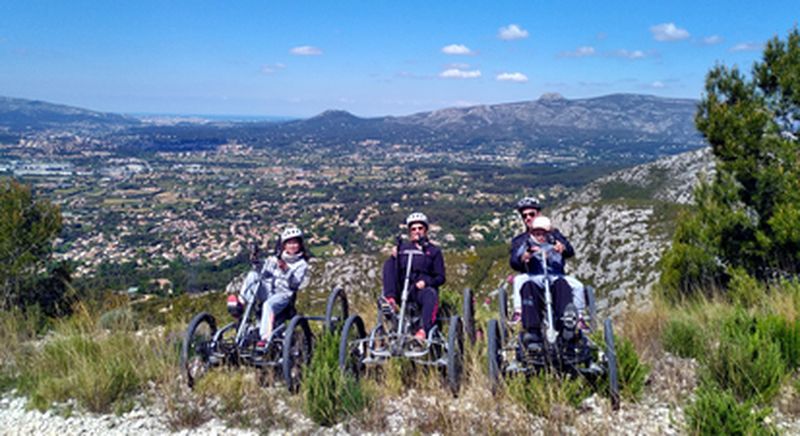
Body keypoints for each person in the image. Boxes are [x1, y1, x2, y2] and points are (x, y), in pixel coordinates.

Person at [508, 197, 586, 322]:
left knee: (577, 286)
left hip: (555, 276)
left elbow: (570, 251)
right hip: (533, 276)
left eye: (531, 214)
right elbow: (514, 262)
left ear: (539, 215)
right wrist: (523, 258)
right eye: (524, 216)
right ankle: (519, 312)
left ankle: (578, 317)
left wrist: (562, 248)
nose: (528, 218)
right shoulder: (520, 240)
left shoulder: (555, 235)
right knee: (519, 281)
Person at [231, 227, 309, 347]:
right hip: (269, 290)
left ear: (300, 244)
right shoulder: (276, 258)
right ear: (284, 245)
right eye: (289, 243)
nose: (292, 246)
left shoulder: (301, 264)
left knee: (268, 305)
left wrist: (286, 269)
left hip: (284, 295)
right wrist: (255, 260)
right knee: (253, 275)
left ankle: (265, 338)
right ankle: (240, 304)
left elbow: (294, 284)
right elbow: (261, 270)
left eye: (295, 243)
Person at [381, 212, 446, 341]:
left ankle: (423, 331)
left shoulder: (434, 251)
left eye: (420, 228)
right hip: (403, 289)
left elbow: (440, 277)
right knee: (389, 263)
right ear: (409, 232)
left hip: (420, 291)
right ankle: (390, 301)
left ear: (426, 230)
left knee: (430, 294)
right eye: (413, 229)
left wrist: (426, 282)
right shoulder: (402, 249)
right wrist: (395, 256)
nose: (417, 232)